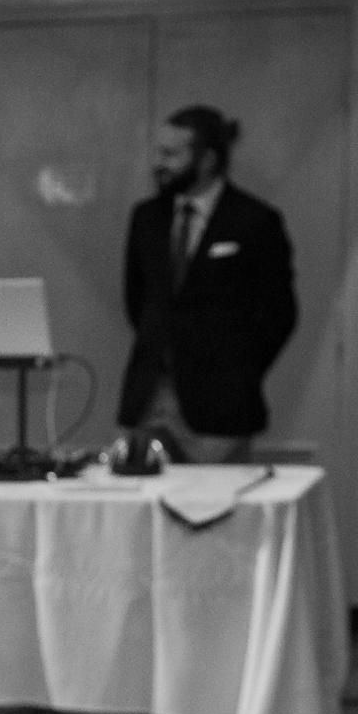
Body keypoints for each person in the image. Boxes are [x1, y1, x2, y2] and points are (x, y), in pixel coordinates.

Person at [116, 105, 296, 465]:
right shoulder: (147, 218)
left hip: (220, 406)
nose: (159, 163)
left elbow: (280, 313)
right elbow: (138, 301)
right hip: (150, 397)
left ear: (208, 159)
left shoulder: (254, 221)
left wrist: (237, 368)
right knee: (145, 509)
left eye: (171, 154)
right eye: (158, 152)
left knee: (213, 512)